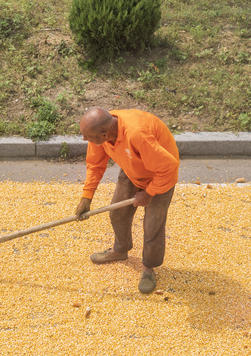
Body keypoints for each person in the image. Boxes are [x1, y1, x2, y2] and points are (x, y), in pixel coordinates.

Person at [75, 107, 179, 294]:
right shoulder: (101, 131)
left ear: (104, 135)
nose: (85, 140)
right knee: (117, 213)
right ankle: (120, 250)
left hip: (160, 175)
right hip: (134, 169)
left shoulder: (137, 134)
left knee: (152, 225)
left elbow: (169, 167)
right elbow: (95, 165)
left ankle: (148, 267)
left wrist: (148, 194)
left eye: (88, 137)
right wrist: (87, 196)